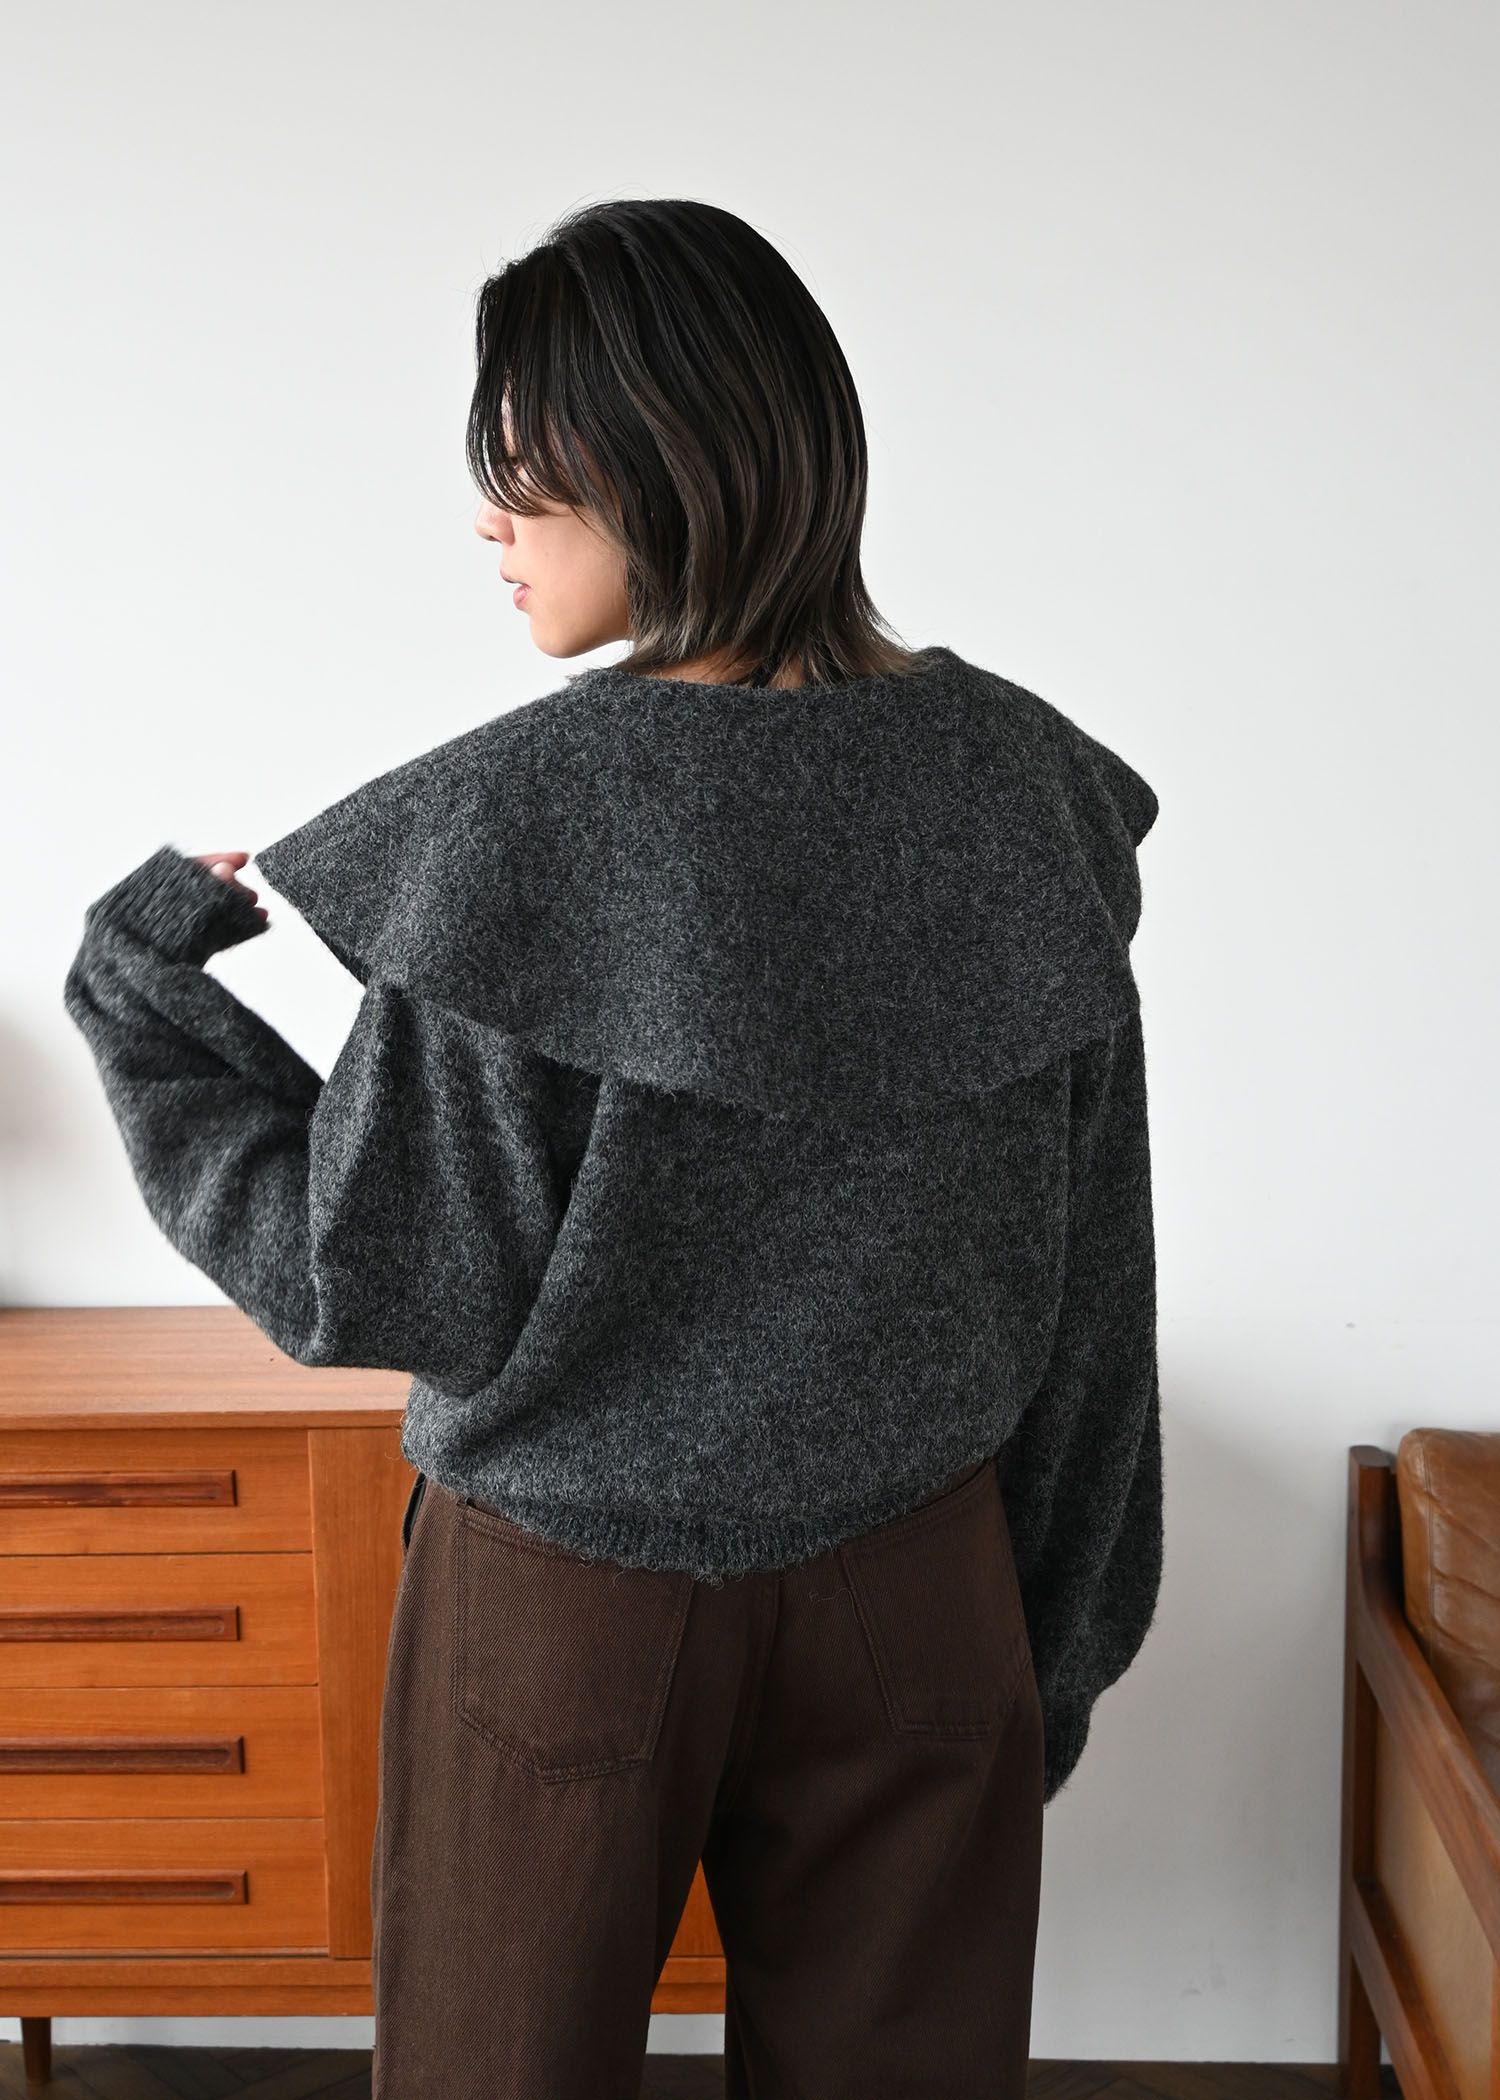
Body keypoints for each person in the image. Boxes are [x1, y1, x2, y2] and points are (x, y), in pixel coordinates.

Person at [63, 196, 1164, 2100]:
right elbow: (1094, 1292)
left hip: (567, 1606)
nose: (489, 522)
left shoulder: (521, 832)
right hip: (927, 1589)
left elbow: (373, 1276)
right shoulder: (1021, 789)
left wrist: (140, 992)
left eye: (523, 472)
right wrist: (1043, 1648)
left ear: (664, 468)